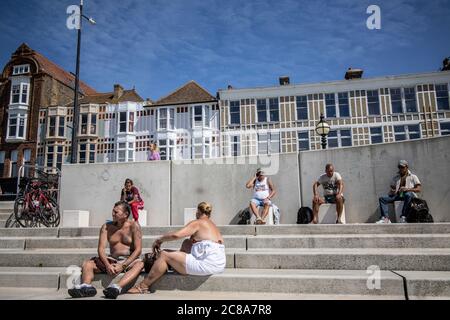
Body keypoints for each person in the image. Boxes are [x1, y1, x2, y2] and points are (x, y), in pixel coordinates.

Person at [126, 202, 226, 294]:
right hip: (219, 265)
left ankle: (143, 286)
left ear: (198, 212)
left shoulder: (198, 222)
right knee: (187, 242)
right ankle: (175, 266)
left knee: (164, 254)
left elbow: (176, 235)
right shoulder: (213, 225)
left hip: (206, 265)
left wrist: (159, 240)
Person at [68, 201, 144, 299]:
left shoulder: (134, 226)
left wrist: (122, 265)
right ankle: (86, 287)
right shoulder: (106, 227)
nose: (113, 214)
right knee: (87, 264)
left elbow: (138, 250)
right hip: (112, 259)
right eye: (113, 211)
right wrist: (107, 265)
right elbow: (101, 249)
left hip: (129, 260)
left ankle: (116, 287)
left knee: (140, 264)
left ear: (125, 214)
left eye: (116, 212)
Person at [377, 160, 422, 224]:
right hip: (398, 195)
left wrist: (407, 189)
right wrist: (393, 191)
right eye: (399, 167)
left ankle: (404, 217)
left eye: (402, 167)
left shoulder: (413, 176)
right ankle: (385, 219)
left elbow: (418, 189)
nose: (401, 169)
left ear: (407, 167)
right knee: (382, 199)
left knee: (408, 195)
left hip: (409, 195)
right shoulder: (396, 178)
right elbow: (392, 188)